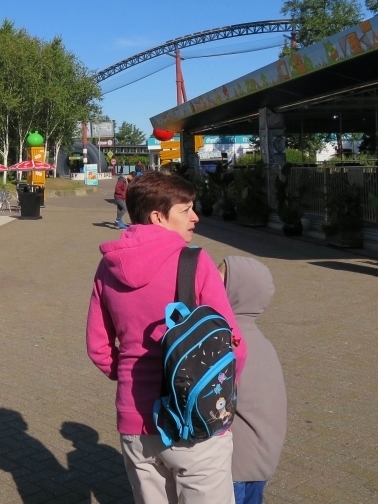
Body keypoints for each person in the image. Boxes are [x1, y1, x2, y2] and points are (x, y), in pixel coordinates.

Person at [87, 172, 247, 504]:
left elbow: (98, 346)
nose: (195, 217)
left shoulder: (108, 266)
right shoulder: (194, 261)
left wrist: (130, 375)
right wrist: (220, 391)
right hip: (193, 417)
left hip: (135, 420)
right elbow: (232, 344)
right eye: (185, 209)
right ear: (158, 216)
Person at [219, 258, 286, 504]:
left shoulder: (229, 343)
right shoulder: (259, 341)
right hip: (259, 460)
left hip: (234, 463)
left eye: (219, 278)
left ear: (235, 291)